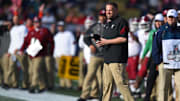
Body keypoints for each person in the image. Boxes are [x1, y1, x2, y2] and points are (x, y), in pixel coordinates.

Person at [96, 2, 134, 101]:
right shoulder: (107, 23)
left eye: (110, 10)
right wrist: (101, 42)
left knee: (121, 84)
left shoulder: (121, 21)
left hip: (117, 58)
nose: (108, 12)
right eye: (107, 10)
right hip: (107, 58)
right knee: (107, 85)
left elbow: (123, 39)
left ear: (116, 10)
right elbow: (106, 39)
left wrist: (106, 41)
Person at [77, 10, 106, 101]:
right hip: (95, 55)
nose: (102, 17)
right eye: (101, 15)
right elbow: (86, 37)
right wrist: (90, 45)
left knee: (103, 77)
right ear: (99, 17)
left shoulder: (111, 26)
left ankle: (102, 96)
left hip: (106, 55)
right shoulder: (94, 26)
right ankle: (84, 95)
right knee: (89, 75)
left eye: (104, 15)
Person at [20, 16, 54, 93]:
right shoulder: (31, 31)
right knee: (32, 71)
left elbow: (51, 42)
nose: (36, 24)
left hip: (40, 55)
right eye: (35, 22)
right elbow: (26, 41)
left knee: (36, 70)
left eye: (38, 22)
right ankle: (42, 86)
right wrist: (22, 50)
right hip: (31, 55)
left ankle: (33, 85)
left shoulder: (45, 31)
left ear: (41, 22)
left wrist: (50, 52)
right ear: (33, 23)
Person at [152, 9, 179, 101]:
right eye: (169, 17)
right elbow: (155, 47)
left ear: (176, 18)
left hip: (178, 64)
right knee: (163, 88)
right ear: (166, 18)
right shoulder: (161, 31)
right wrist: (158, 61)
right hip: (165, 64)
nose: (171, 19)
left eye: (173, 18)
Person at [142, 13, 164, 101]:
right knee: (150, 79)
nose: (158, 24)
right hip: (152, 57)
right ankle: (148, 97)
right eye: (156, 22)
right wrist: (143, 56)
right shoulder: (152, 33)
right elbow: (148, 46)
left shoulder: (165, 32)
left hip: (162, 58)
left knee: (160, 81)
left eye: (160, 22)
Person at [53, 20, 76, 89]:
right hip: (58, 55)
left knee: (67, 71)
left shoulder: (69, 34)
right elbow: (55, 46)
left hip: (67, 54)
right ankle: (62, 84)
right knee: (61, 71)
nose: (60, 27)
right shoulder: (56, 36)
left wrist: (72, 53)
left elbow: (73, 44)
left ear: (64, 27)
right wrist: (54, 55)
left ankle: (69, 85)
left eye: (61, 26)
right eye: (59, 26)